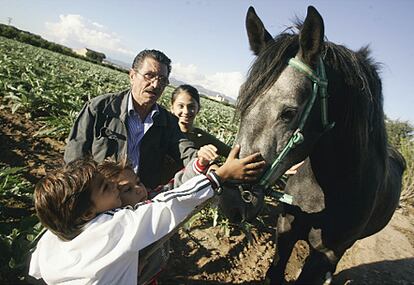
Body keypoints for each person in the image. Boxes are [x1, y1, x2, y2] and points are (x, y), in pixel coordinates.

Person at [29, 145, 265, 285]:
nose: (114, 189)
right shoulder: (116, 226)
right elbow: (167, 204)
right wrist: (220, 175)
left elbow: (36, 269)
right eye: (106, 187)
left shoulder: (52, 238)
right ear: (89, 212)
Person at [63, 50, 198, 189]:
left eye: (162, 80)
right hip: (101, 198)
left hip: (140, 201)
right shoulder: (99, 108)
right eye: (149, 76)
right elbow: (75, 159)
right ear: (132, 76)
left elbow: (185, 151)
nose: (156, 85)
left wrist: (202, 161)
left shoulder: (168, 122)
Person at [98, 146, 214, 285]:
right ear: (113, 200)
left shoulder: (151, 201)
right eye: (127, 189)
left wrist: (199, 165)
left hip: (151, 275)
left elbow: (175, 189)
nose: (139, 190)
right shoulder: (121, 230)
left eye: (138, 182)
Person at [170, 84, 231, 157]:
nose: (186, 111)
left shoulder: (203, 138)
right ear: (172, 108)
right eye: (181, 106)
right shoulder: (164, 132)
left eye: (191, 106)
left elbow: (230, 152)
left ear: (198, 109)